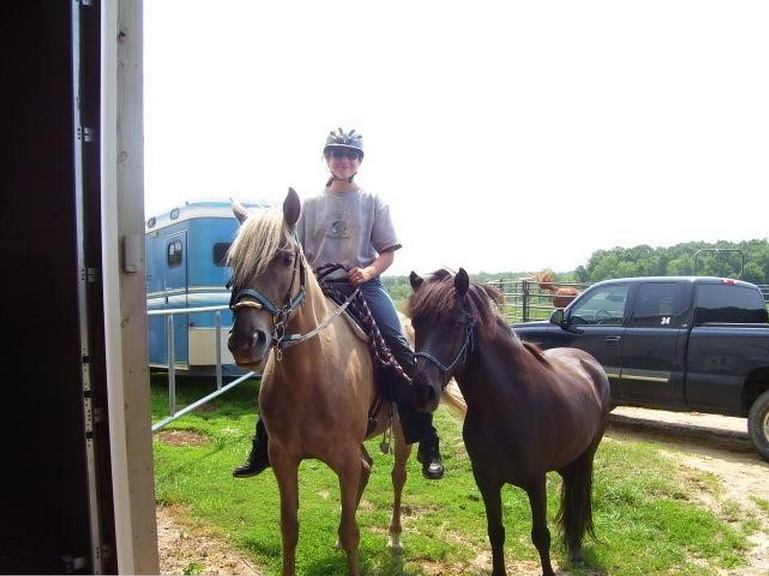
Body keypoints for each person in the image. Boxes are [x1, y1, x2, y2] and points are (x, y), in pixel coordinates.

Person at [233, 127, 444, 480]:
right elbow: (290, 250)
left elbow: (388, 252)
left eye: (351, 155)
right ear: (327, 159)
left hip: (364, 287)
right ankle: (262, 444)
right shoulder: (309, 205)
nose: (344, 160)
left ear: (359, 162)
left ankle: (426, 439)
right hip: (318, 289)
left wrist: (368, 270)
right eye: (337, 154)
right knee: (279, 355)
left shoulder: (373, 201)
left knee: (398, 348)